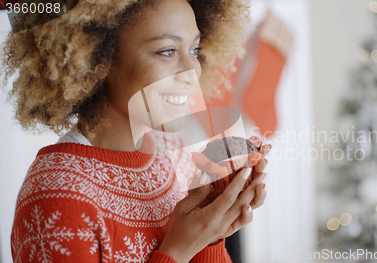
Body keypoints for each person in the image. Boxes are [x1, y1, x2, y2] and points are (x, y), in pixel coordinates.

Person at [1, 0, 269, 262]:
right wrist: (177, 251)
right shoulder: (56, 197)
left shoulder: (171, 153)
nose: (192, 71)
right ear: (99, 58)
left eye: (194, 50)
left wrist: (210, 234)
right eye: (167, 51)